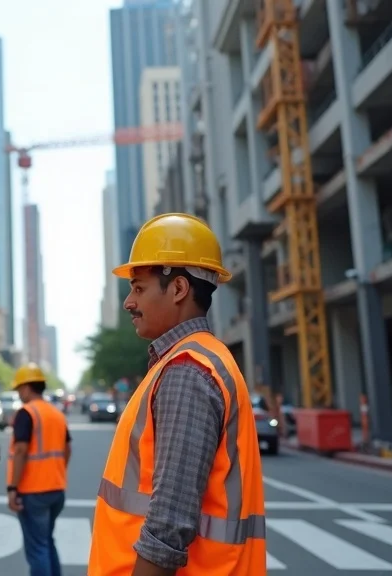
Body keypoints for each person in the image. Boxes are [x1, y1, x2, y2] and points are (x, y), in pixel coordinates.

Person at [87, 213, 267, 576]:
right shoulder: (197, 360)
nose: (129, 302)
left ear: (179, 289)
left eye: (139, 288)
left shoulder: (188, 370)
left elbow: (169, 525)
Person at [6, 363, 71, 576]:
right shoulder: (56, 413)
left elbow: (21, 451)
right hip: (56, 489)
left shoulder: (26, 413)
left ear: (26, 387)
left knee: (37, 549)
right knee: (47, 542)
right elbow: (67, 448)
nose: (18, 394)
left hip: (33, 491)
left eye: (18, 389)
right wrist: (57, 470)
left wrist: (12, 487)